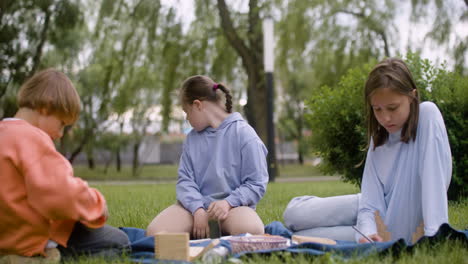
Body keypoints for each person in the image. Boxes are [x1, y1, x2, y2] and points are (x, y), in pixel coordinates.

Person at [283, 58, 452, 244]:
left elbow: (433, 182)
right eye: (377, 109)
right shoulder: (378, 140)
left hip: (397, 232)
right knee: (293, 215)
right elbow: (370, 204)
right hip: (371, 213)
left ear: (412, 96)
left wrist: (436, 236)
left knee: (299, 238)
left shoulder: (427, 115)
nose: (385, 118)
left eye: (393, 108)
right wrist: (368, 233)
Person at [0, 69, 129, 260]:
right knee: (120, 241)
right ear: (46, 107)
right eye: (61, 123)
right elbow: (60, 194)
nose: (60, 134)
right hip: (31, 241)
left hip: (8, 237)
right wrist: (97, 205)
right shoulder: (33, 139)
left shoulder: (5, 133)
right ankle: (54, 257)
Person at [146, 75, 268, 239]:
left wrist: (228, 203)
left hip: (233, 209)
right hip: (194, 211)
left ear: (197, 105)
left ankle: (216, 231)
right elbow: (185, 180)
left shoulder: (244, 134)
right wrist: (197, 209)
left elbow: (256, 183)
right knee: (155, 234)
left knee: (252, 230)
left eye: (186, 112)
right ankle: (208, 231)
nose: (187, 119)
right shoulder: (192, 139)